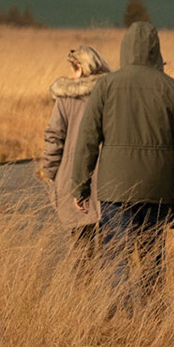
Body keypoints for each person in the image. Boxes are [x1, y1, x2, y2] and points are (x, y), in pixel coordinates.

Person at [69, 21, 174, 315]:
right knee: (152, 257)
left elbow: (88, 139)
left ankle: (121, 316)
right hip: (159, 190)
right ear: (156, 50)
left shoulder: (105, 86)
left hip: (115, 188)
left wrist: (81, 185)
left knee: (116, 255)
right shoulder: (173, 90)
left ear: (125, 48)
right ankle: (151, 320)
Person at [39, 44, 109, 248]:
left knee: (82, 249)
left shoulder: (66, 99)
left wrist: (51, 171)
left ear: (83, 68)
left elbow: (54, 137)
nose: (70, 73)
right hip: (108, 178)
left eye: (74, 68)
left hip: (73, 178)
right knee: (112, 250)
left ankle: (85, 281)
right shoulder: (110, 94)